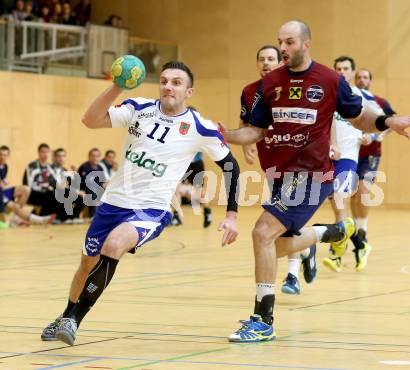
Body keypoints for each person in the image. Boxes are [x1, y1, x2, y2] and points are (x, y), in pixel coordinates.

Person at [220, 20, 410, 343]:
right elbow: (255, 131)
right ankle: (329, 232)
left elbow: (359, 115)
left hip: (313, 175)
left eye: (288, 43)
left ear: (306, 44)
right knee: (278, 243)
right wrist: (228, 135)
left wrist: (388, 120)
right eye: (279, 43)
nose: (282, 49)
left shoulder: (329, 80)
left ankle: (262, 320)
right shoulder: (269, 84)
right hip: (280, 176)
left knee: (261, 232)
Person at [41, 60, 240, 346]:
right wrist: (117, 86)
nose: (168, 86)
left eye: (176, 82)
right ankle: (65, 315)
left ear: (189, 92)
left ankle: (75, 320)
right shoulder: (139, 108)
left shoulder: (200, 127)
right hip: (113, 202)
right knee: (87, 263)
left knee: (114, 245)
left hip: (152, 208)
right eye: (164, 81)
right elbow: (90, 120)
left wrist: (232, 214)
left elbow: (231, 166)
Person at [240, 45, 316, 295]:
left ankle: (292, 275)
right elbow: (246, 122)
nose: (266, 63)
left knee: (283, 226)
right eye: (261, 59)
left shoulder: (295, 87)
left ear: (280, 61)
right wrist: (246, 146)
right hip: (272, 166)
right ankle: (310, 245)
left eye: (271, 59)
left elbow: (317, 117)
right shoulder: (250, 92)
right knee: (284, 227)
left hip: (299, 165)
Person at [323, 56, 383, 273]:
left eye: (345, 69)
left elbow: (380, 122)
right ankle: (359, 244)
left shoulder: (361, 96)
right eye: (337, 68)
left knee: (341, 200)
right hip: (328, 157)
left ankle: (336, 253)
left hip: (348, 157)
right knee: (339, 209)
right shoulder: (327, 92)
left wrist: (370, 136)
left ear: (352, 72)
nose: (341, 72)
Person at [351, 67, 396, 252]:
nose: (362, 80)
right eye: (359, 77)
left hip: (371, 154)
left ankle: (363, 230)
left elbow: (392, 120)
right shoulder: (352, 101)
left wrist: (378, 136)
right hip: (353, 152)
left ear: (370, 81)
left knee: (363, 190)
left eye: (365, 77)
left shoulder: (379, 102)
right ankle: (355, 232)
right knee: (353, 195)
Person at [0, 145, 54, 226]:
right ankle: (39, 220)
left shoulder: (5, 166)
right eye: (0, 154)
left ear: (8, 156)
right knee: (13, 205)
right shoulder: (33, 166)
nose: (2, 157)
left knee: (25, 189)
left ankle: (15, 218)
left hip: (2, 192)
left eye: (5, 155)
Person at [77, 148, 107, 218]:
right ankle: (93, 215)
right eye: (93, 156)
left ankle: (106, 216)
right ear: (89, 156)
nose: (95, 158)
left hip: (97, 189)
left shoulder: (100, 168)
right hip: (84, 189)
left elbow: (102, 183)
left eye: (97, 156)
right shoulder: (84, 167)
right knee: (93, 190)